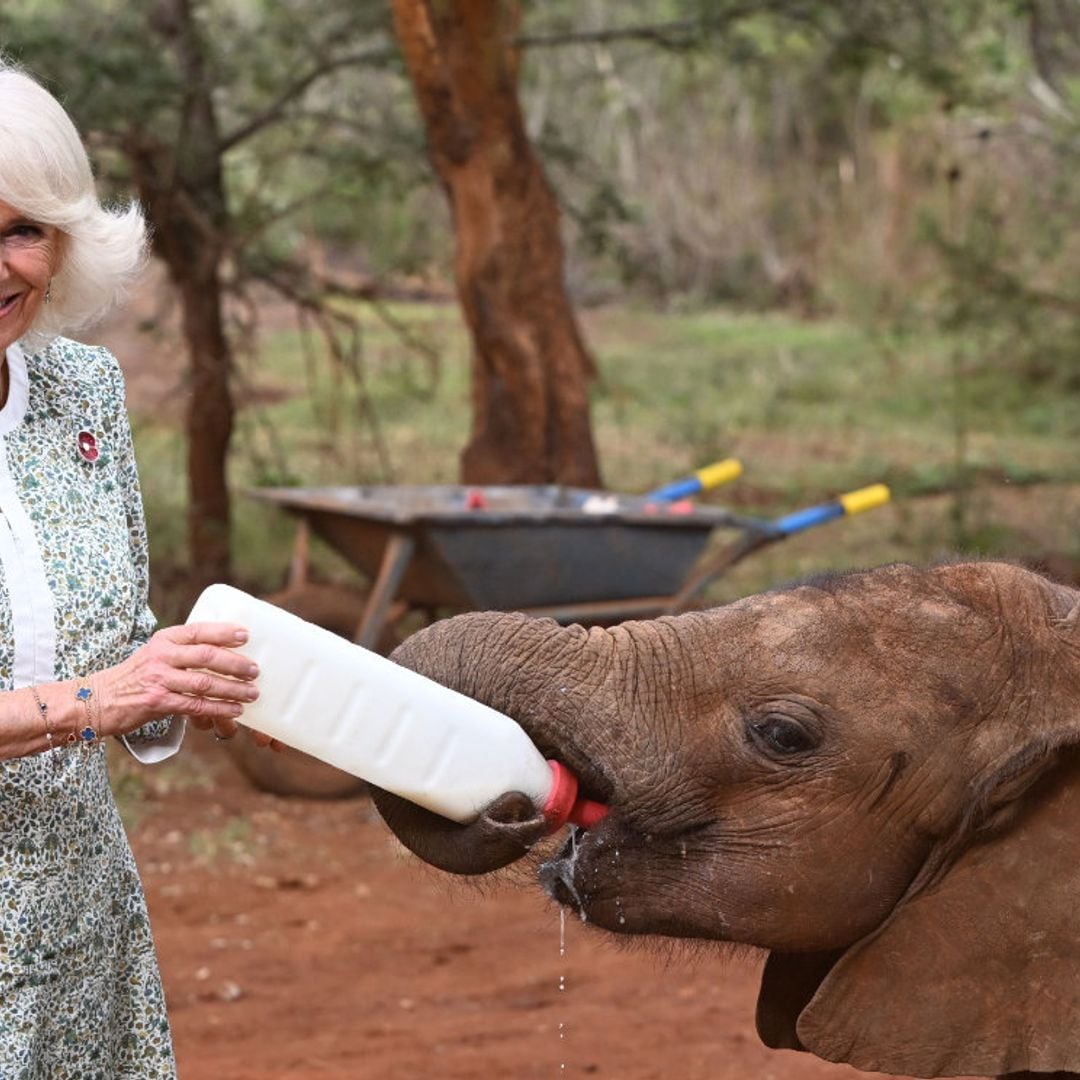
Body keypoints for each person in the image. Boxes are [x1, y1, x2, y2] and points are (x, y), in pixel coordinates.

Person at [0, 59, 262, 1077]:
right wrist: (89, 701)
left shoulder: (83, 395)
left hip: (77, 920)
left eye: (21, 230)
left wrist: (183, 682)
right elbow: (95, 692)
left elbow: (122, 652)